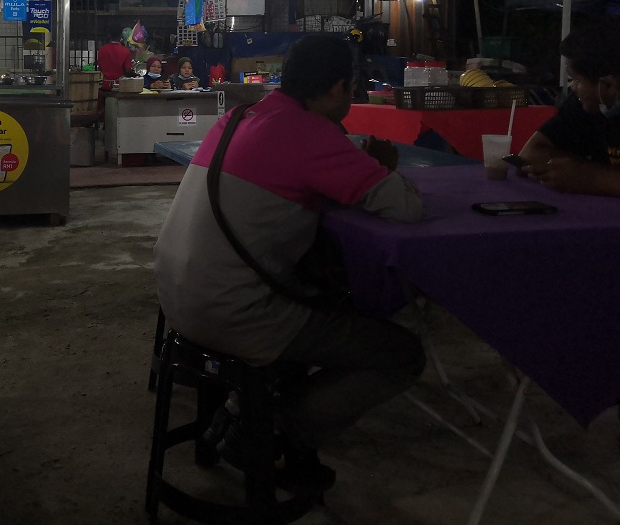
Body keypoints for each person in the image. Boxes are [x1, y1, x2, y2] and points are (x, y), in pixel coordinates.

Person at [153, 34, 424, 495]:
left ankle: (243, 408)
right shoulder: (310, 133)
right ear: (340, 86)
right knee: (399, 354)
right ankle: (273, 428)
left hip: (175, 299)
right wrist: (379, 167)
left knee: (321, 301)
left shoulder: (240, 116)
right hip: (232, 312)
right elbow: (405, 207)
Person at [518, 16, 620, 457]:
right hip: (618, 251)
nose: (572, 91)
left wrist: (592, 178)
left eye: (576, 81)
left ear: (608, 84)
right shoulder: (592, 110)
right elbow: (533, 152)